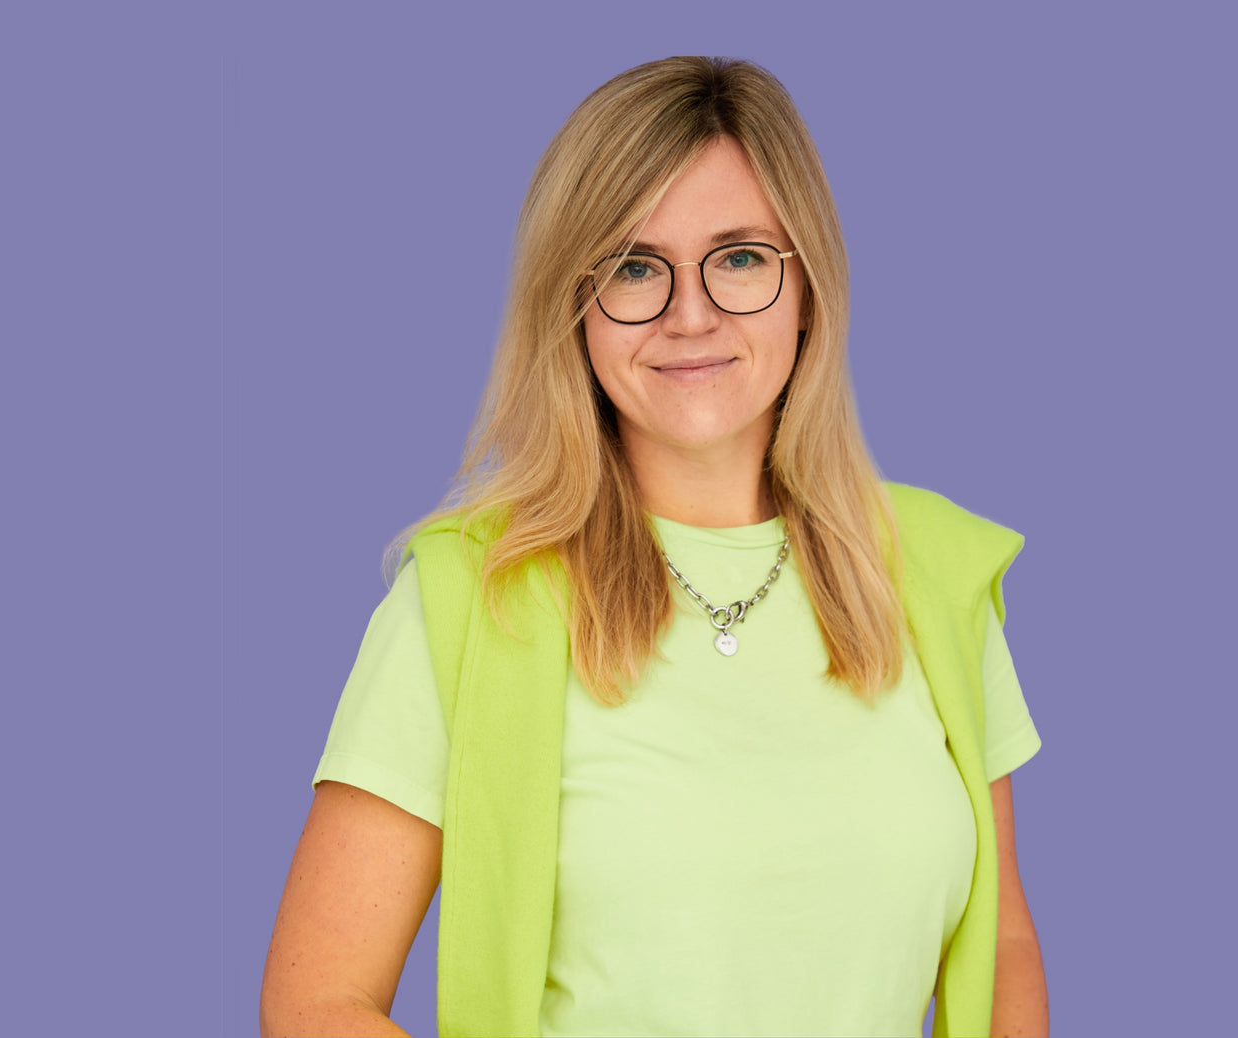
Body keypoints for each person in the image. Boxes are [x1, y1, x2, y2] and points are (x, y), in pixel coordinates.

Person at [260, 56, 1048, 1038]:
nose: (691, 314)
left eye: (741, 258)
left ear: (808, 284)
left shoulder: (935, 571)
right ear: (572, 304)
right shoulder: (471, 598)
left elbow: (1004, 944)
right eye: (634, 266)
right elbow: (317, 1000)